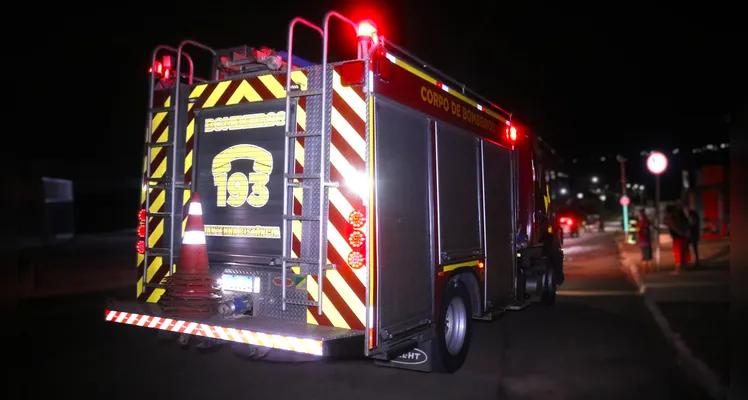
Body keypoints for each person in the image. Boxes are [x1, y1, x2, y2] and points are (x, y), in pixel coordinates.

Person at [664, 204, 691, 274]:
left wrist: (679, 232)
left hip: (678, 239)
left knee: (678, 254)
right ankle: (683, 269)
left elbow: (676, 229)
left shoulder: (674, 219)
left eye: (667, 213)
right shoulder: (679, 218)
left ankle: (678, 270)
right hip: (681, 238)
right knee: (682, 254)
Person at [636, 209, 653, 273]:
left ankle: (646, 269)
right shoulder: (644, 222)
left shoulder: (641, 222)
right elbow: (644, 231)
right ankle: (646, 269)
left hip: (643, 241)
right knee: (647, 256)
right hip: (645, 241)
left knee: (646, 255)